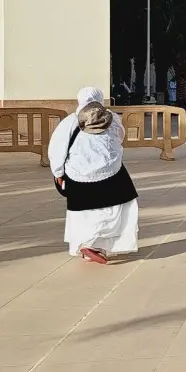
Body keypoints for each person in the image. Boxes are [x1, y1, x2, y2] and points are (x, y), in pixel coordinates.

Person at [48, 88, 139, 265]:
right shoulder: (112, 118)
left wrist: (58, 172)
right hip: (111, 171)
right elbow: (120, 137)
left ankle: (87, 243)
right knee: (118, 206)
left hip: (78, 175)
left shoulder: (71, 121)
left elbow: (57, 148)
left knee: (83, 212)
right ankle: (101, 245)